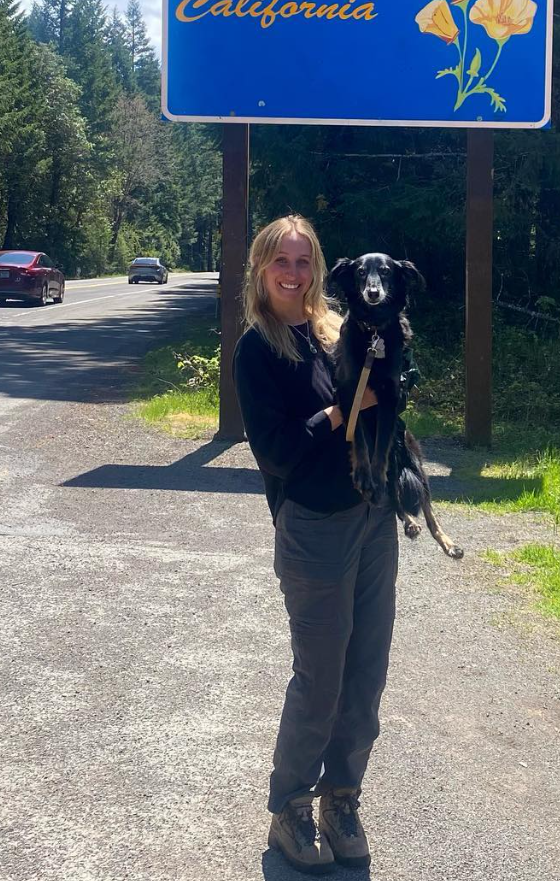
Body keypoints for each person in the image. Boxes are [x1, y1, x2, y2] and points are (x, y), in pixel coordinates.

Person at [233, 214, 397, 874]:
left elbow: (383, 408)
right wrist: (340, 413)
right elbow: (276, 454)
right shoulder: (258, 349)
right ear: (261, 270)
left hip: (370, 519)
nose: (294, 274)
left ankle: (343, 797)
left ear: (318, 269)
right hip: (313, 530)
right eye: (282, 262)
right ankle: (290, 807)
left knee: (366, 671)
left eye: (304, 263)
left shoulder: (341, 333)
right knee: (320, 677)